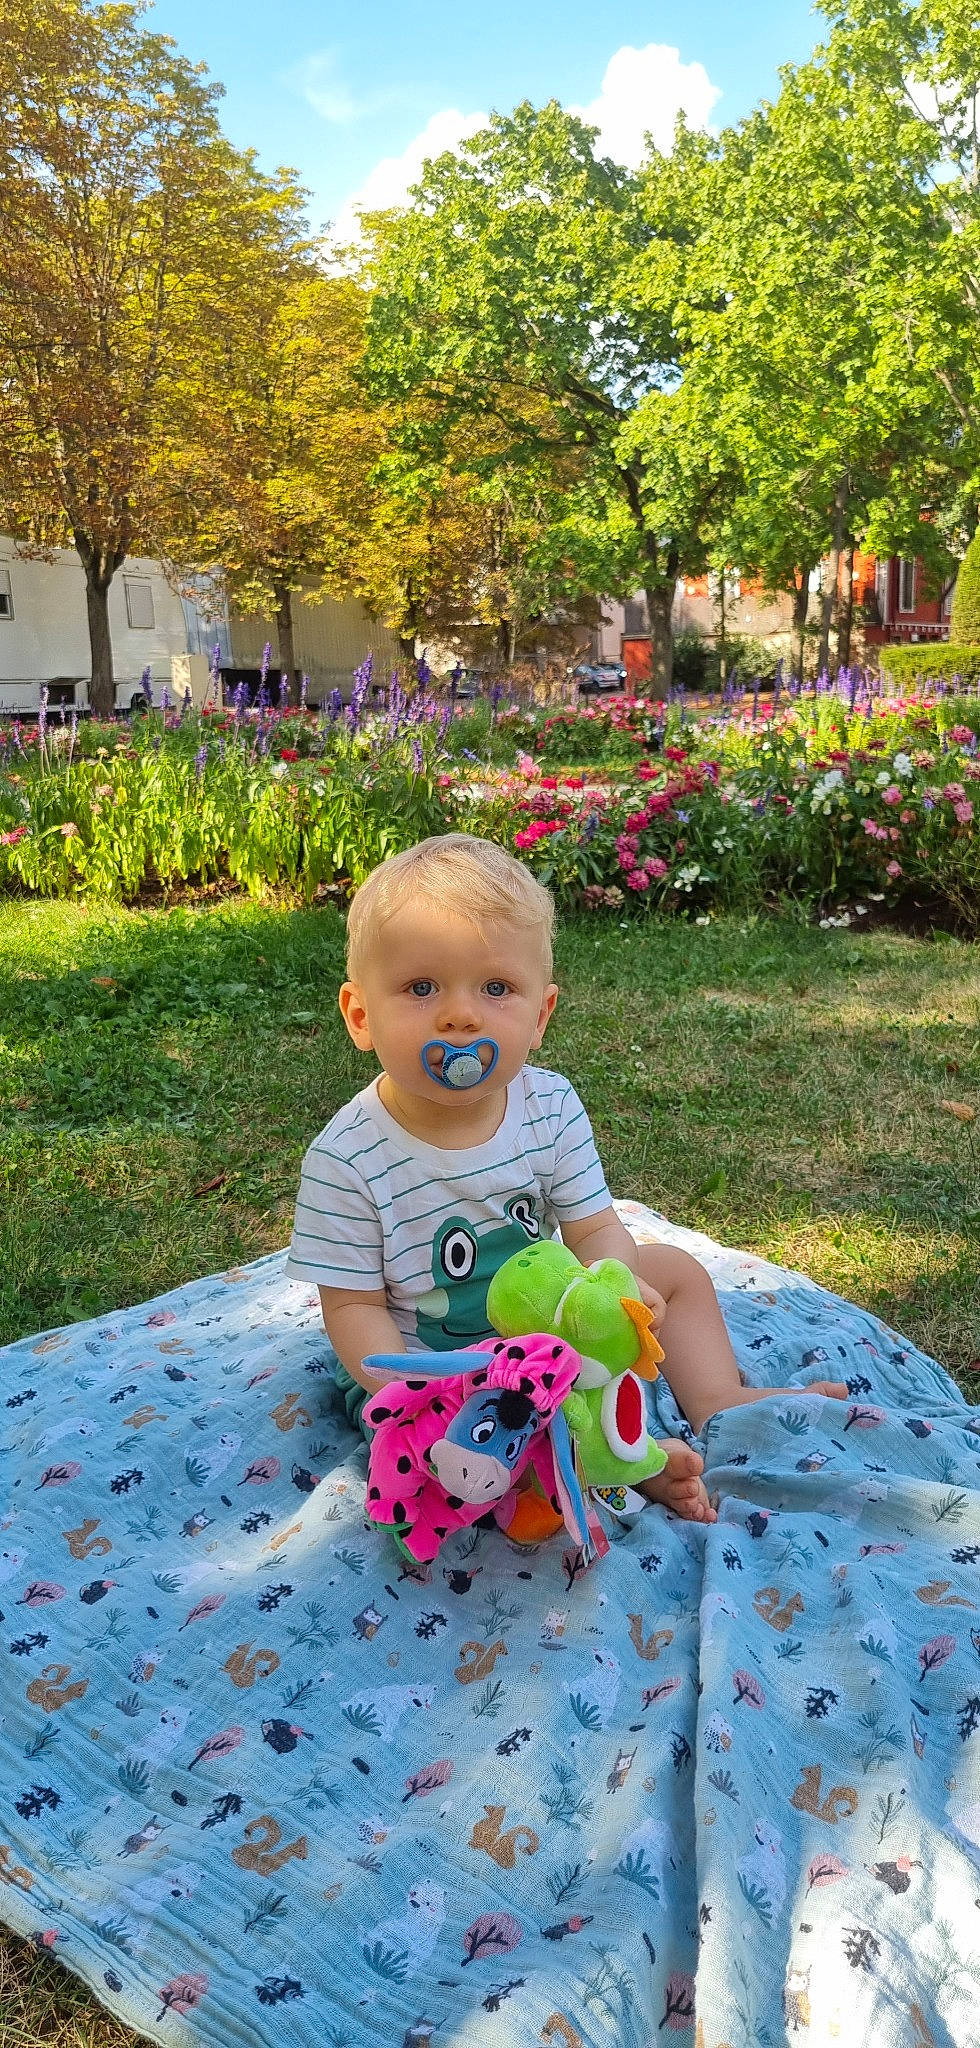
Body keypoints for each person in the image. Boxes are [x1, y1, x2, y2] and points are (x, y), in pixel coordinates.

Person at [285, 834, 846, 1523]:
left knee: (675, 1271)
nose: (460, 1014)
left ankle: (714, 1399)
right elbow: (352, 1308)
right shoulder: (348, 1155)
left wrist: (613, 1288)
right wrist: (409, 1394)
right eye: (421, 987)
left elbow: (594, 1227)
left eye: (496, 988)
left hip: (553, 1334)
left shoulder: (548, 1105)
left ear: (541, 1016)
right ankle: (610, 1461)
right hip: (435, 1365)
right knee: (465, 1449)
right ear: (360, 1016)